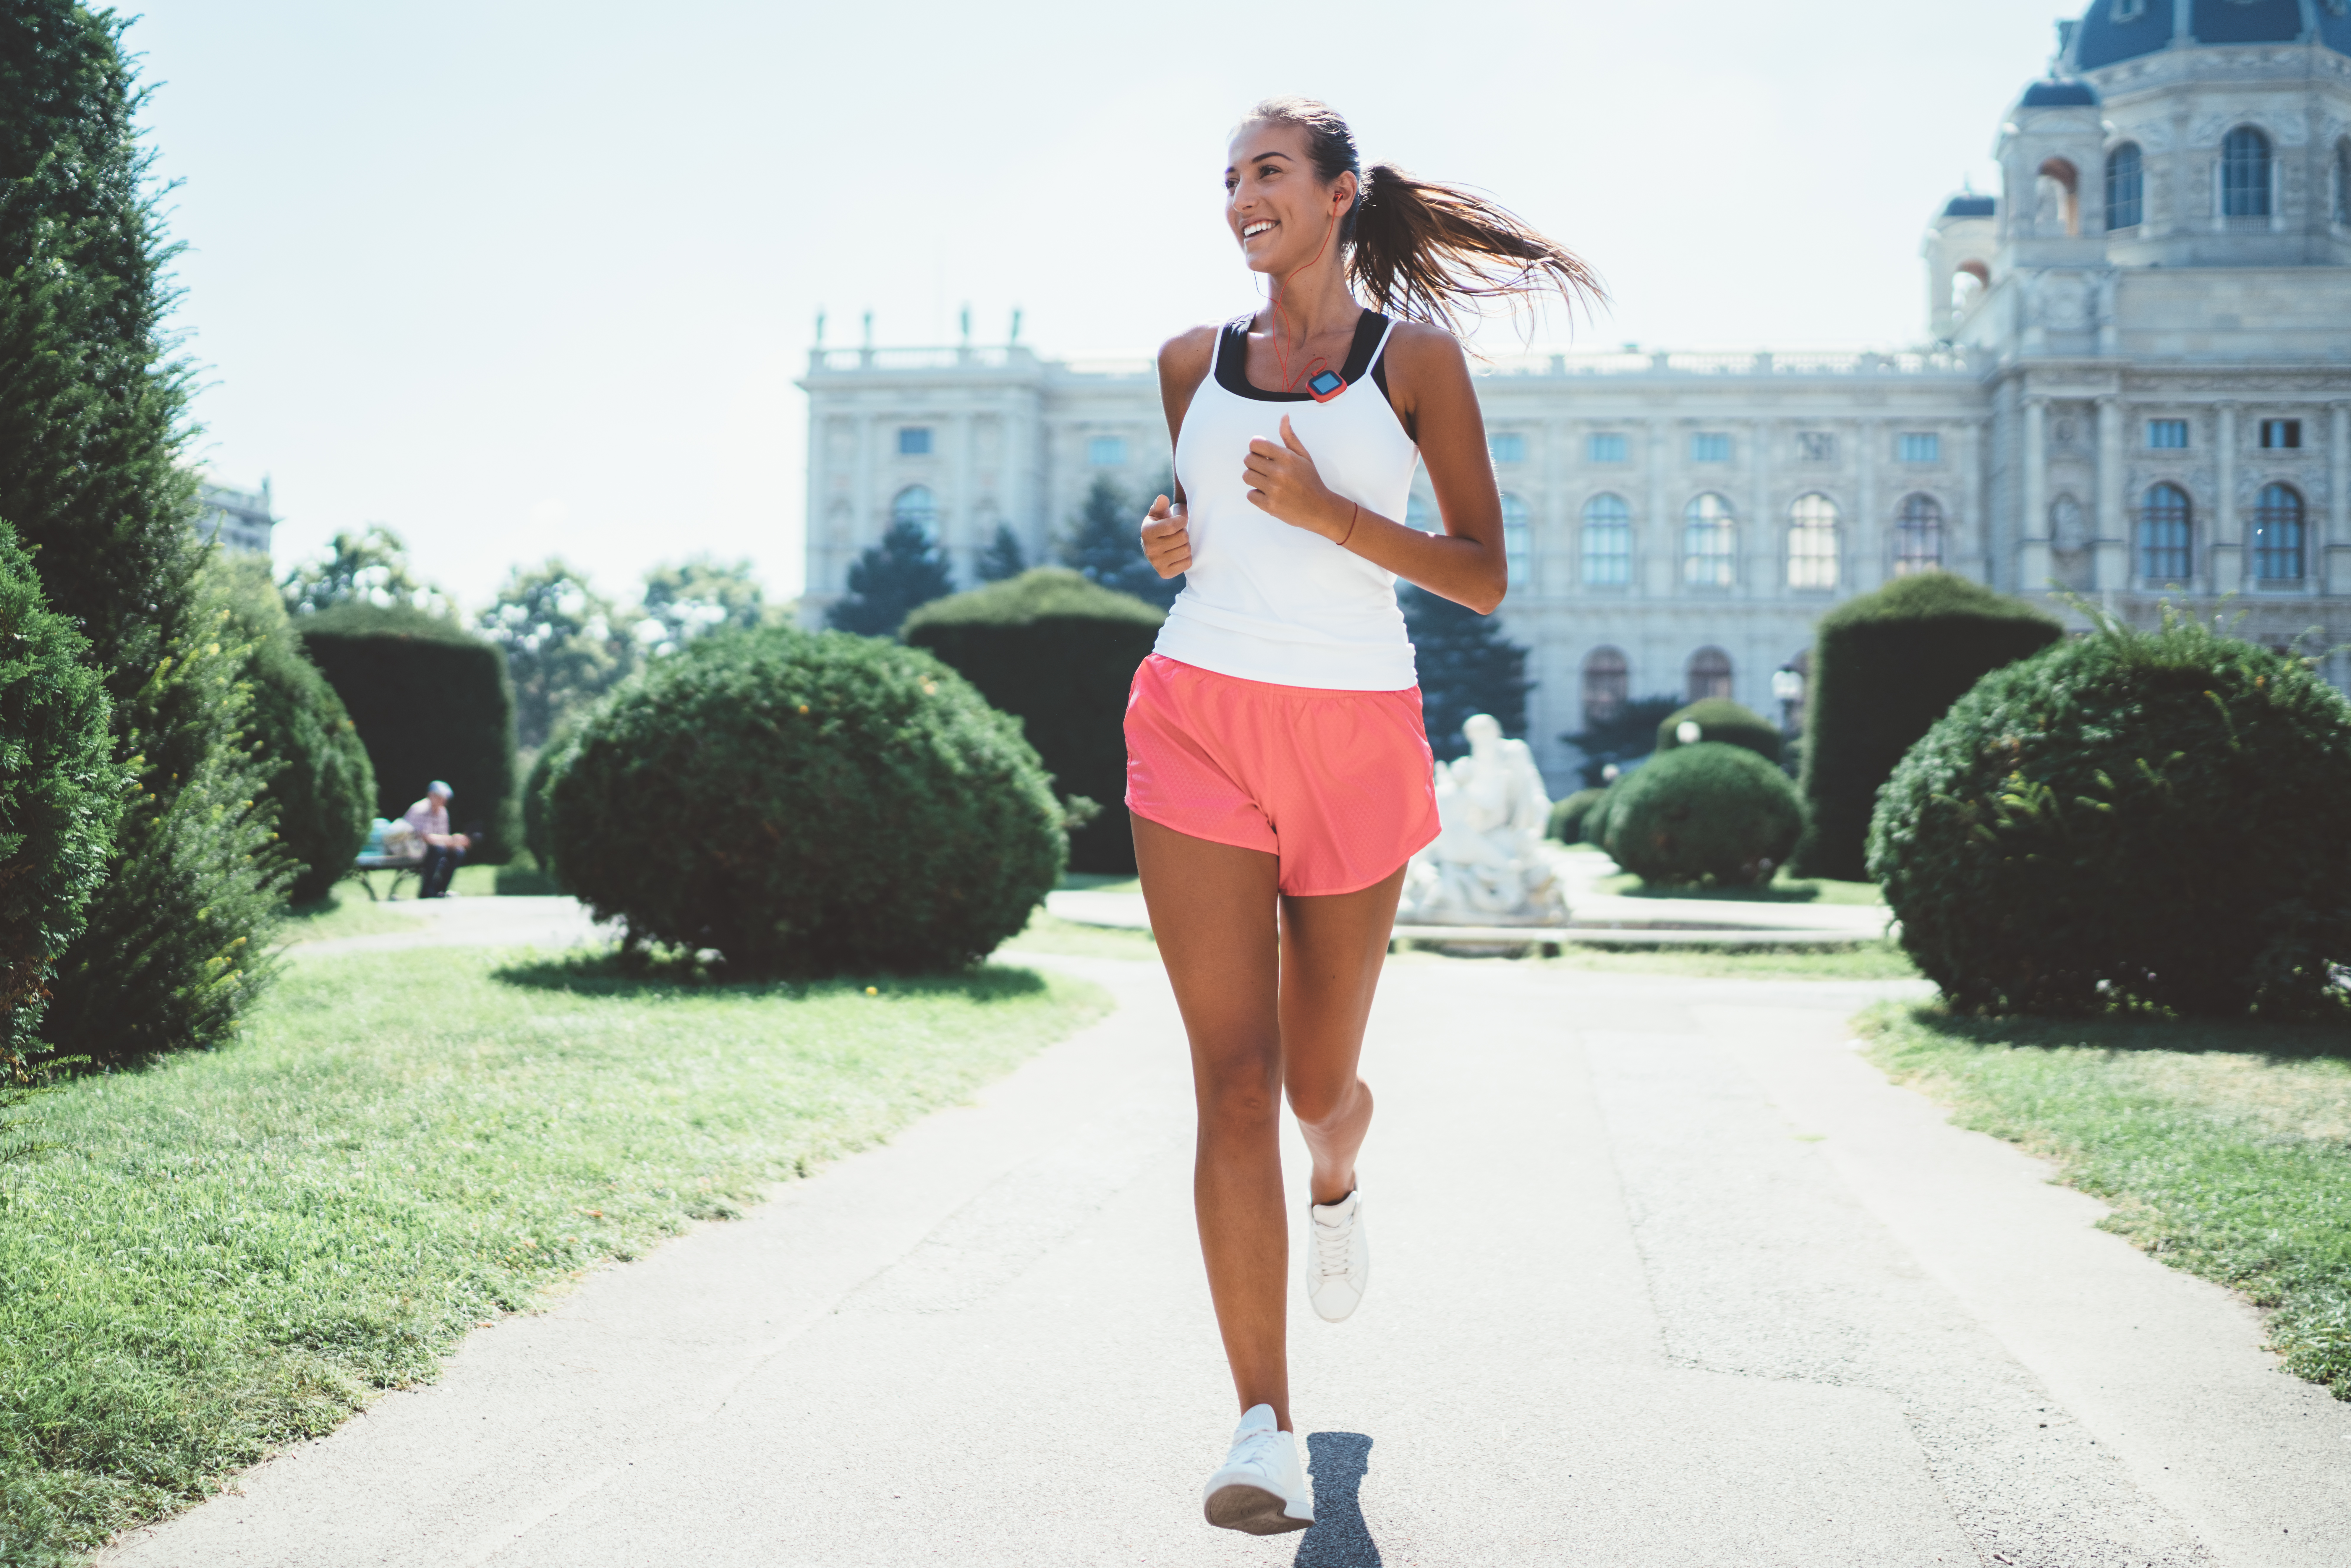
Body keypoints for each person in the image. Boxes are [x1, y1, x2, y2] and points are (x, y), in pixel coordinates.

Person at [1127, 96, 1599, 1536]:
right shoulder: (1189, 361)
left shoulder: (1419, 363)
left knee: (1314, 1089)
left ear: (1339, 193)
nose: (1241, 197)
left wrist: (1331, 515)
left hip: (1352, 732)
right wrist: (1171, 543)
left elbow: (1481, 574)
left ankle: (1337, 1171)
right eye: (1228, 178)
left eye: (1268, 171)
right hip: (1197, 714)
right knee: (1230, 1080)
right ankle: (1263, 1426)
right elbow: (1203, 534)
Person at [402, 780, 471, 899]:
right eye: (440, 797)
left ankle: (441, 890)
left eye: (445, 798)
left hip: (431, 849)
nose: (443, 801)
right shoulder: (419, 809)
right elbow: (425, 837)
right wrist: (452, 839)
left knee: (458, 852)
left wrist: (457, 842)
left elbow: (443, 837)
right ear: (431, 795)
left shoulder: (443, 812)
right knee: (438, 849)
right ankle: (427, 891)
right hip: (412, 849)